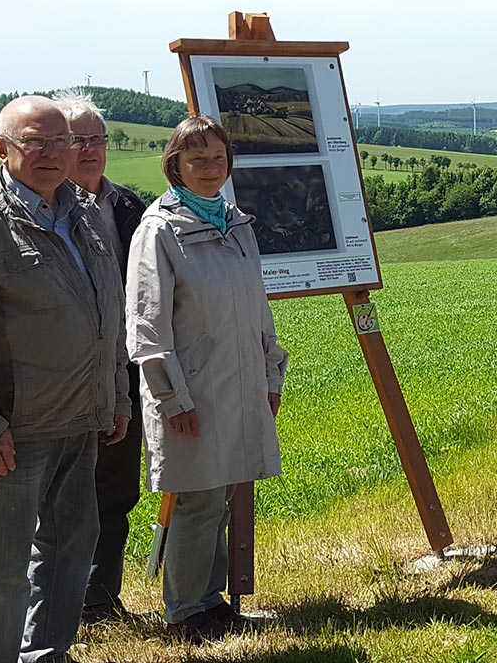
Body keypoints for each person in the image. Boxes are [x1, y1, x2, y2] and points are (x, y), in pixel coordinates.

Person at [0, 95, 130, 662]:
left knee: (70, 548)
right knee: (3, 561)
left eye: (60, 141)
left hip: (82, 418)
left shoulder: (86, 213)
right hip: (15, 431)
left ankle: (46, 653)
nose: (50, 153)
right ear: (3, 148)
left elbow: (108, 312)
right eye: (34, 142)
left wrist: (115, 393)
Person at [125, 115, 287, 643]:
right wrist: (173, 399)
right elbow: (146, 326)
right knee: (196, 498)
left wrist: (270, 375)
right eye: (196, 158)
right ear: (175, 165)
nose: (208, 167)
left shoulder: (235, 222)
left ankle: (210, 602)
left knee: (218, 495)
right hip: (192, 388)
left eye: (217, 157)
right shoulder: (159, 230)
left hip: (237, 382)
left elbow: (257, 308)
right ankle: (185, 612)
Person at [53, 91, 148, 623]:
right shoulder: (46, 210)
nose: (88, 149)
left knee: (114, 492)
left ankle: (99, 602)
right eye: (75, 139)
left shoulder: (130, 206)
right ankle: (57, 610)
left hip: (125, 375)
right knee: (63, 502)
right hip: (65, 378)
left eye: (96, 138)